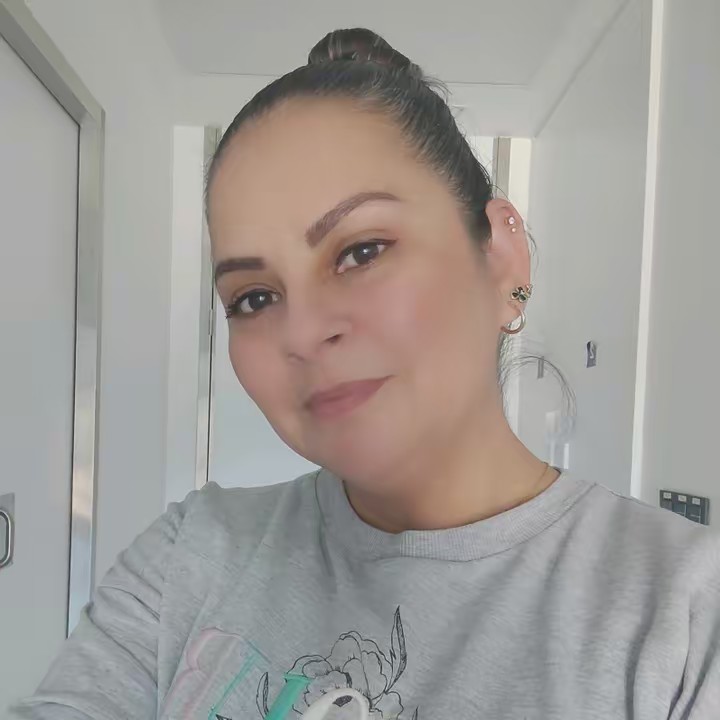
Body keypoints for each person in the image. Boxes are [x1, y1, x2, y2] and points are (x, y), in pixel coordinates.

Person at [11, 28, 719, 720]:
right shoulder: (188, 554)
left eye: (362, 251)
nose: (302, 333)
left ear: (503, 259)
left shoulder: (684, 613)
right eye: (254, 298)